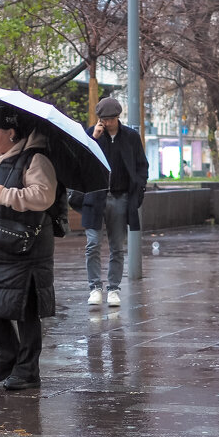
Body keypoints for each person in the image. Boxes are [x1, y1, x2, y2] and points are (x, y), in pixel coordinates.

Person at [0, 111, 58, 391]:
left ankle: (28, 370)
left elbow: (44, 195)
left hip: (26, 248)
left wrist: (8, 196)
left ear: (11, 133)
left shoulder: (35, 159)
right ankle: (8, 355)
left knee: (26, 310)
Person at [79, 97, 149, 307]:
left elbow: (141, 165)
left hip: (120, 197)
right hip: (95, 197)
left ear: (118, 117)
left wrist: (139, 188)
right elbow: (81, 163)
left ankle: (113, 288)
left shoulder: (130, 136)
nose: (106, 123)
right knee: (92, 244)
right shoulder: (91, 134)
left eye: (110, 119)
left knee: (117, 246)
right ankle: (94, 288)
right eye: (103, 119)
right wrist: (94, 138)